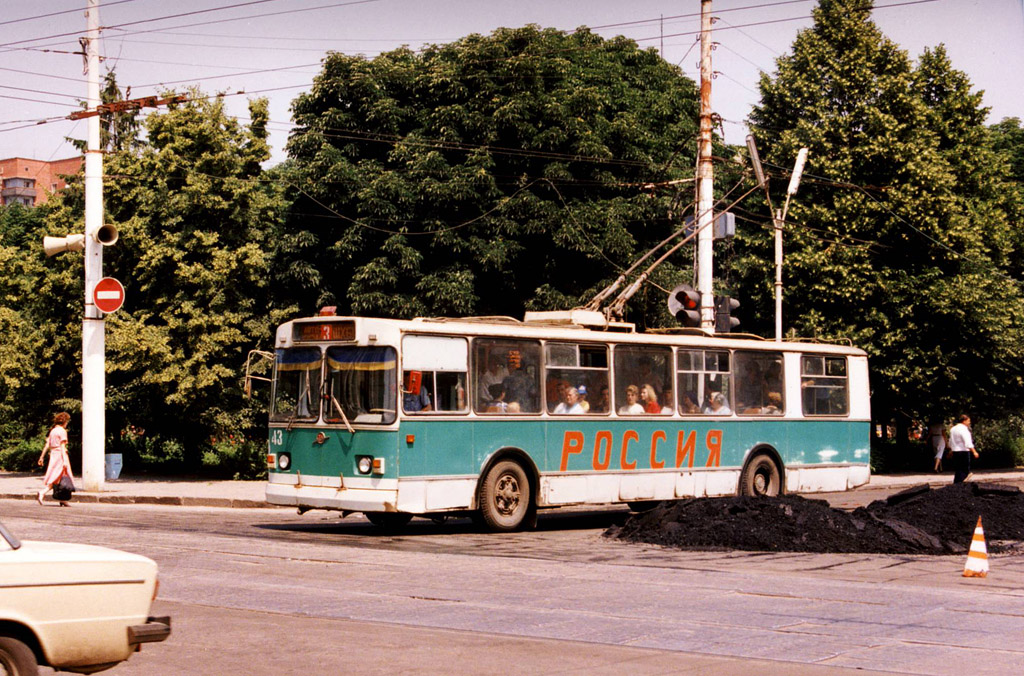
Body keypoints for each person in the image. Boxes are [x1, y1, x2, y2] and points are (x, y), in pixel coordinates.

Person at [37, 412, 72, 506]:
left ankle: (62, 499)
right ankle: (43, 492)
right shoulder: (62, 431)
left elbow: (47, 445)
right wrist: (65, 460)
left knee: (60, 477)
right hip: (60, 455)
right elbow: (62, 447)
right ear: (64, 422)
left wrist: (41, 457)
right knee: (57, 477)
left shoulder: (52, 431)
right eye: (67, 421)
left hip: (53, 455)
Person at [948, 414, 978, 483]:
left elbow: (951, 441)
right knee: (964, 471)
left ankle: (956, 485)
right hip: (963, 451)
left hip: (955, 451)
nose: (969, 423)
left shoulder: (953, 429)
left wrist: (951, 450)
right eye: (968, 421)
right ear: (964, 421)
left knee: (958, 470)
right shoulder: (964, 429)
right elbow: (968, 442)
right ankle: (962, 486)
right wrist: (974, 452)